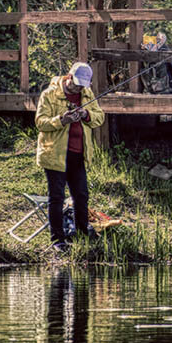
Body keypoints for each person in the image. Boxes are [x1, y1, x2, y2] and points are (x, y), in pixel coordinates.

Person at [35, 62, 106, 251]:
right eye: (76, 84)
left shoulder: (87, 95)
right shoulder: (49, 94)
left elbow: (100, 117)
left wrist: (86, 114)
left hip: (78, 154)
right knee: (56, 197)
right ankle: (57, 240)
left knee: (81, 196)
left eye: (83, 85)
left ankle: (83, 235)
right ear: (68, 77)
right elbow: (40, 122)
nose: (79, 88)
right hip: (55, 155)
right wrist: (62, 120)